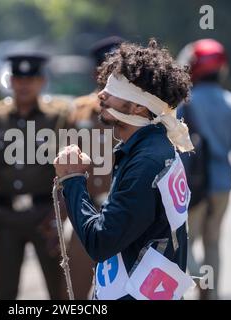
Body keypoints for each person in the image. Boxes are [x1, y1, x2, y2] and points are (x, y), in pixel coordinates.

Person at [54, 40, 194, 300]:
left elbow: (101, 243)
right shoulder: (150, 146)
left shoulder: (147, 161)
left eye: (114, 89)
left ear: (139, 107)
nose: (101, 95)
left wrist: (73, 180)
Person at [0, 53, 69, 299]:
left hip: (45, 215)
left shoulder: (57, 118)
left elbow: (71, 168)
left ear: (42, 81)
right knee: (5, 290)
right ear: (10, 81)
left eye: (31, 78)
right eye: (19, 78)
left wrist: (62, 214)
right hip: (5, 218)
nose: (24, 85)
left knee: (60, 291)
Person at [177, 39, 231, 300]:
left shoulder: (186, 103)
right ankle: (212, 294)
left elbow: (175, 145)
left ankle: (198, 280)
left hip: (194, 186)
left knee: (185, 243)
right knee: (214, 243)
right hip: (222, 186)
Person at [67, 36, 123, 299]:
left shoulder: (139, 111)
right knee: (75, 291)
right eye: (106, 69)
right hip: (86, 213)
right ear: (95, 72)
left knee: (124, 288)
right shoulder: (78, 111)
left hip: (124, 214)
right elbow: (62, 165)